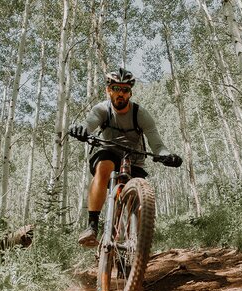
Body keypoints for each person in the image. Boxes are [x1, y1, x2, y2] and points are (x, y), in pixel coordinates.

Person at [69, 68, 182, 247]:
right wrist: (82, 130)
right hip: (108, 152)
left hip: (134, 159)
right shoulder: (101, 109)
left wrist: (167, 156)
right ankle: (92, 226)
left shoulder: (141, 114)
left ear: (130, 92)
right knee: (104, 165)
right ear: (108, 90)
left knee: (139, 201)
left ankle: (135, 244)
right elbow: (89, 124)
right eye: (115, 88)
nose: (120, 93)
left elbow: (158, 145)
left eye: (124, 89)